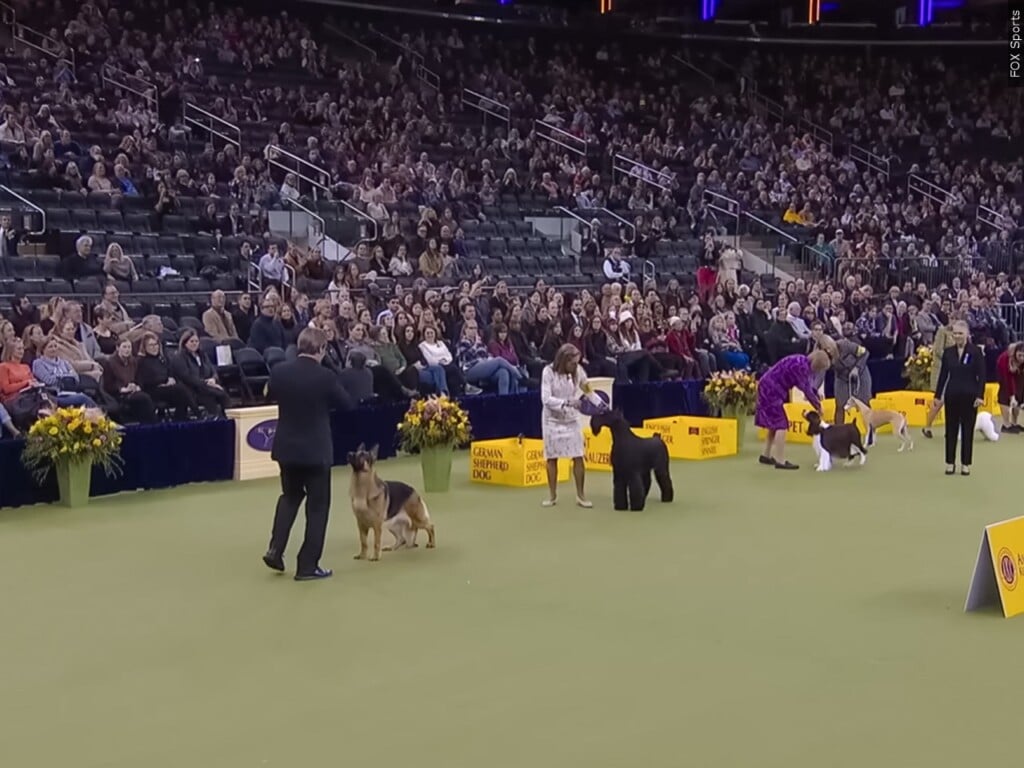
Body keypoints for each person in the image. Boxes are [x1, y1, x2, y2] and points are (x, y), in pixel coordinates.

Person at [264, 327, 355, 581]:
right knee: (317, 508)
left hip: (286, 448)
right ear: (322, 350)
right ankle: (307, 566)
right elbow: (347, 405)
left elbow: (270, 394)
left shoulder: (280, 371)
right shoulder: (325, 376)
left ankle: (275, 549)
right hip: (316, 451)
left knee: (289, 497)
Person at [539, 343, 599, 508]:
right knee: (552, 457)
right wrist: (567, 402)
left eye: (577, 362)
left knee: (578, 455)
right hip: (551, 420)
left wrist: (600, 404)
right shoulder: (548, 372)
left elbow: (587, 389)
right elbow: (545, 399)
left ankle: (581, 496)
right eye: (572, 363)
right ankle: (552, 496)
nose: (575, 366)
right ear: (563, 360)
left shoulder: (578, 371)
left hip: (571, 419)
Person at [755, 351, 831, 470]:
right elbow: (805, 389)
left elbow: (807, 386)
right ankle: (780, 461)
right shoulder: (802, 368)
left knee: (774, 424)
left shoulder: (800, 360)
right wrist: (818, 406)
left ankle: (766, 455)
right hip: (771, 390)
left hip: (766, 385)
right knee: (782, 425)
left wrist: (815, 395)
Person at [933, 321, 986, 476]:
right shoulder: (948, 352)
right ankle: (950, 462)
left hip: (970, 397)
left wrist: (980, 395)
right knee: (951, 430)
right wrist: (937, 395)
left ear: (967, 334)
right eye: (955, 333)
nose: (957, 336)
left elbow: (982, 375)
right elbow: (943, 375)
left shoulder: (976, 352)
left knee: (967, 431)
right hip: (952, 395)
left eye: (960, 333)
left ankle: (965, 464)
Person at [994, 342, 1024, 433]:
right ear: (1015, 353)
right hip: (1004, 375)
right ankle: (1006, 425)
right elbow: (1008, 380)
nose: (1022, 358)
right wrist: (1012, 397)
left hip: (1018, 374)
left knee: (1020, 394)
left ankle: (1014, 423)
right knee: (1005, 394)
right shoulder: (1005, 359)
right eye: (1020, 355)